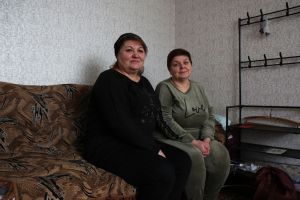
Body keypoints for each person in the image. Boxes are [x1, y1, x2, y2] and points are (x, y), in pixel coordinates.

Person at [84, 33, 191, 200]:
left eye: (140, 51)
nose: (136, 54)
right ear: (117, 54)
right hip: (108, 145)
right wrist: (154, 148)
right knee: (162, 170)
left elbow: (158, 117)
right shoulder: (108, 79)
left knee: (183, 160)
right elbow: (120, 124)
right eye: (129, 50)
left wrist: (186, 139)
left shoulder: (145, 83)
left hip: (136, 143)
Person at [155, 48, 230, 200]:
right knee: (194, 155)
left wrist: (207, 139)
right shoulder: (164, 87)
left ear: (191, 65)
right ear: (170, 69)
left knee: (220, 154)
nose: (182, 67)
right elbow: (165, 120)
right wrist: (193, 142)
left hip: (201, 136)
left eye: (185, 62)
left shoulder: (199, 87)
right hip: (172, 137)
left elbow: (209, 115)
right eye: (176, 64)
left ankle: (209, 197)